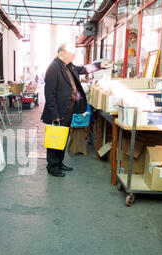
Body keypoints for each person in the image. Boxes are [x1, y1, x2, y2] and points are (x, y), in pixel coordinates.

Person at [42, 42, 111, 177]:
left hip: (67, 110)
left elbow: (83, 69)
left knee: (63, 138)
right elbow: (49, 94)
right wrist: (54, 114)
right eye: (72, 54)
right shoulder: (53, 68)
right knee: (55, 139)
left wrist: (99, 66)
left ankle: (59, 163)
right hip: (58, 112)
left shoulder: (68, 65)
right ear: (63, 52)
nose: (74, 57)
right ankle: (52, 167)